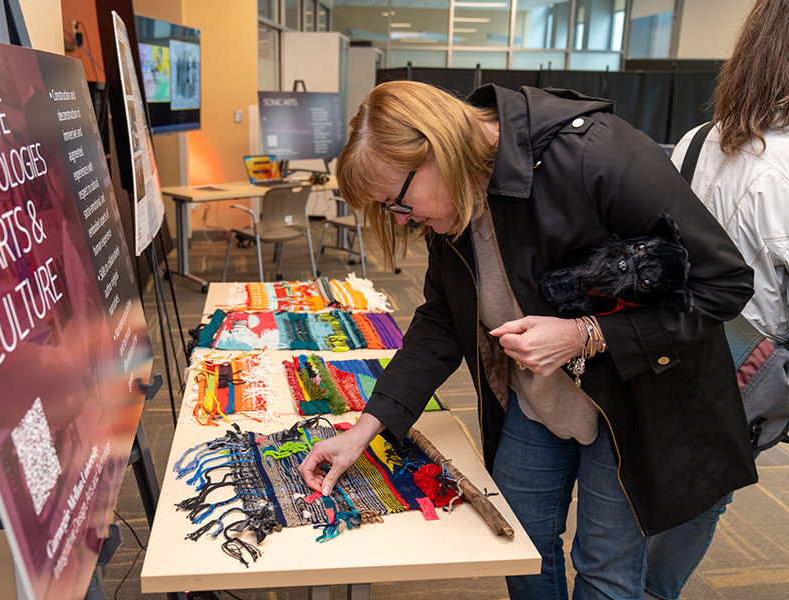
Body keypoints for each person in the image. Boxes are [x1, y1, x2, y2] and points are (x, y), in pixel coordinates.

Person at [298, 78, 758, 599]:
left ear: (434, 151)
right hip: (534, 396)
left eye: (397, 203)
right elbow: (442, 321)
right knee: (522, 549)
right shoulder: (454, 196)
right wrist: (367, 427)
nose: (402, 220)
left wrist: (585, 333)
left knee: (605, 567)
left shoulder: (596, 152)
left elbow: (723, 282)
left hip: (633, 401)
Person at [645, 1, 789, 598]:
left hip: (670, 345)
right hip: (742, 369)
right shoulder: (781, 168)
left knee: (651, 482)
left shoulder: (695, 141)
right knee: (708, 492)